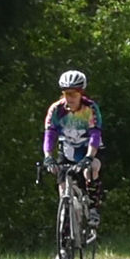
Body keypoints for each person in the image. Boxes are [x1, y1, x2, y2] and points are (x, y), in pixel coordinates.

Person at [42, 70, 103, 227]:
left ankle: (93, 207)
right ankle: (64, 243)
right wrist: (48, 156)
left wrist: (89, 157)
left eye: (73, 94)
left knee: (91, 168)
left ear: (81, 93)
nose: (69, 98)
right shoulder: (56, 110)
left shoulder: (90, 108)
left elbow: (95, 135)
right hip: (67, 149)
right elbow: (50, 134)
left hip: (88, 148)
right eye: (66, 94)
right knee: (63, 192)